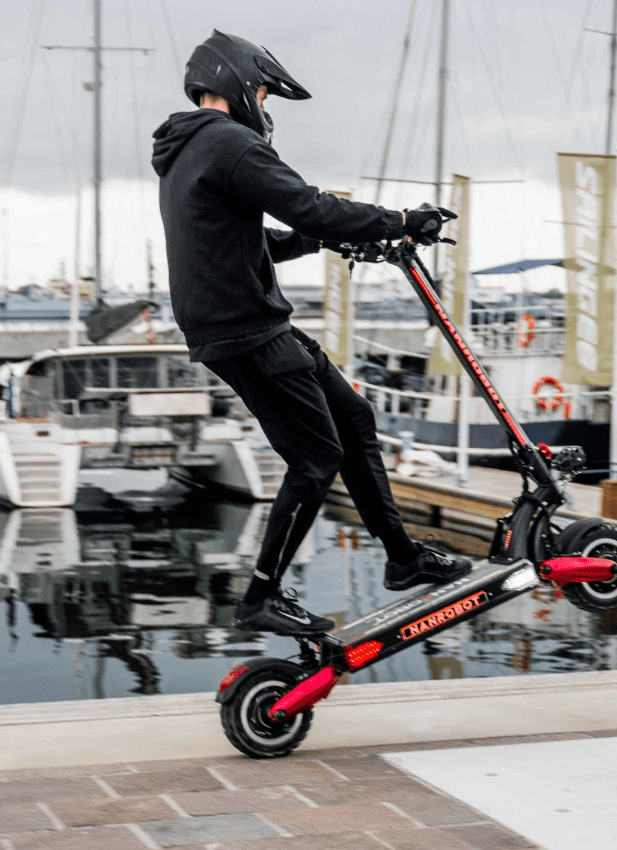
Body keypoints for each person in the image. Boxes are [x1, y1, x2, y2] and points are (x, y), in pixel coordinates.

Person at [151, 30, 472, 637]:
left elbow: (255, 243)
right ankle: (261, 597)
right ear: (239, 83)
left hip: (242, 324)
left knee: (353, 417)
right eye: (265, 95)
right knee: (316, 456)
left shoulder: (187, 151)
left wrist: (325, 237)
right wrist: (404, 220)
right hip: (247, 330)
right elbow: (309, 205)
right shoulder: (230, 143)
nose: (266, 109)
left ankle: (403, 559)